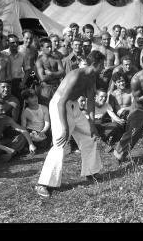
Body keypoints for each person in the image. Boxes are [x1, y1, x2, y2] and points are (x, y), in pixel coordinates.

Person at [35, 51, 106, 198]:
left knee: (90, 135)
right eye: (102, 65)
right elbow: (61, 102)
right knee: (60, 142)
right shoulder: (76, 75)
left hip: (73, 106)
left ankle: (91, 172)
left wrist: (92, 123)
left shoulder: (92, 77)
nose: (103, 68)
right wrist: (65, 127)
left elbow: (91, 100)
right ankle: (43, 184)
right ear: (96, 64)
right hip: (59, 106)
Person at [0, 34, 31, 102]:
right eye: (13, 42)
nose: (15, 44)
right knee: (5, 103)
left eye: (17, 42)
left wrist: (23, 82)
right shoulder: (3, 53)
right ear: (7, 43)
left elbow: (28, 70)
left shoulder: (22, 55)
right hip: (4, 83)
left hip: (17, 83)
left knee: (18, 103)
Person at [35, 38, 65, 106]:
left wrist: (51, 73)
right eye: (47, 47)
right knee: (46, 108)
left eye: (51, 46)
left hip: (57, 87)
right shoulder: (39, 61)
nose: (50, 49)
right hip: (45, 89)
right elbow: (42, 78)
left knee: (57, 108)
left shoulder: (56, 58)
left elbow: (63, 72)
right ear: (42, 48)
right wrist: (57, 75)